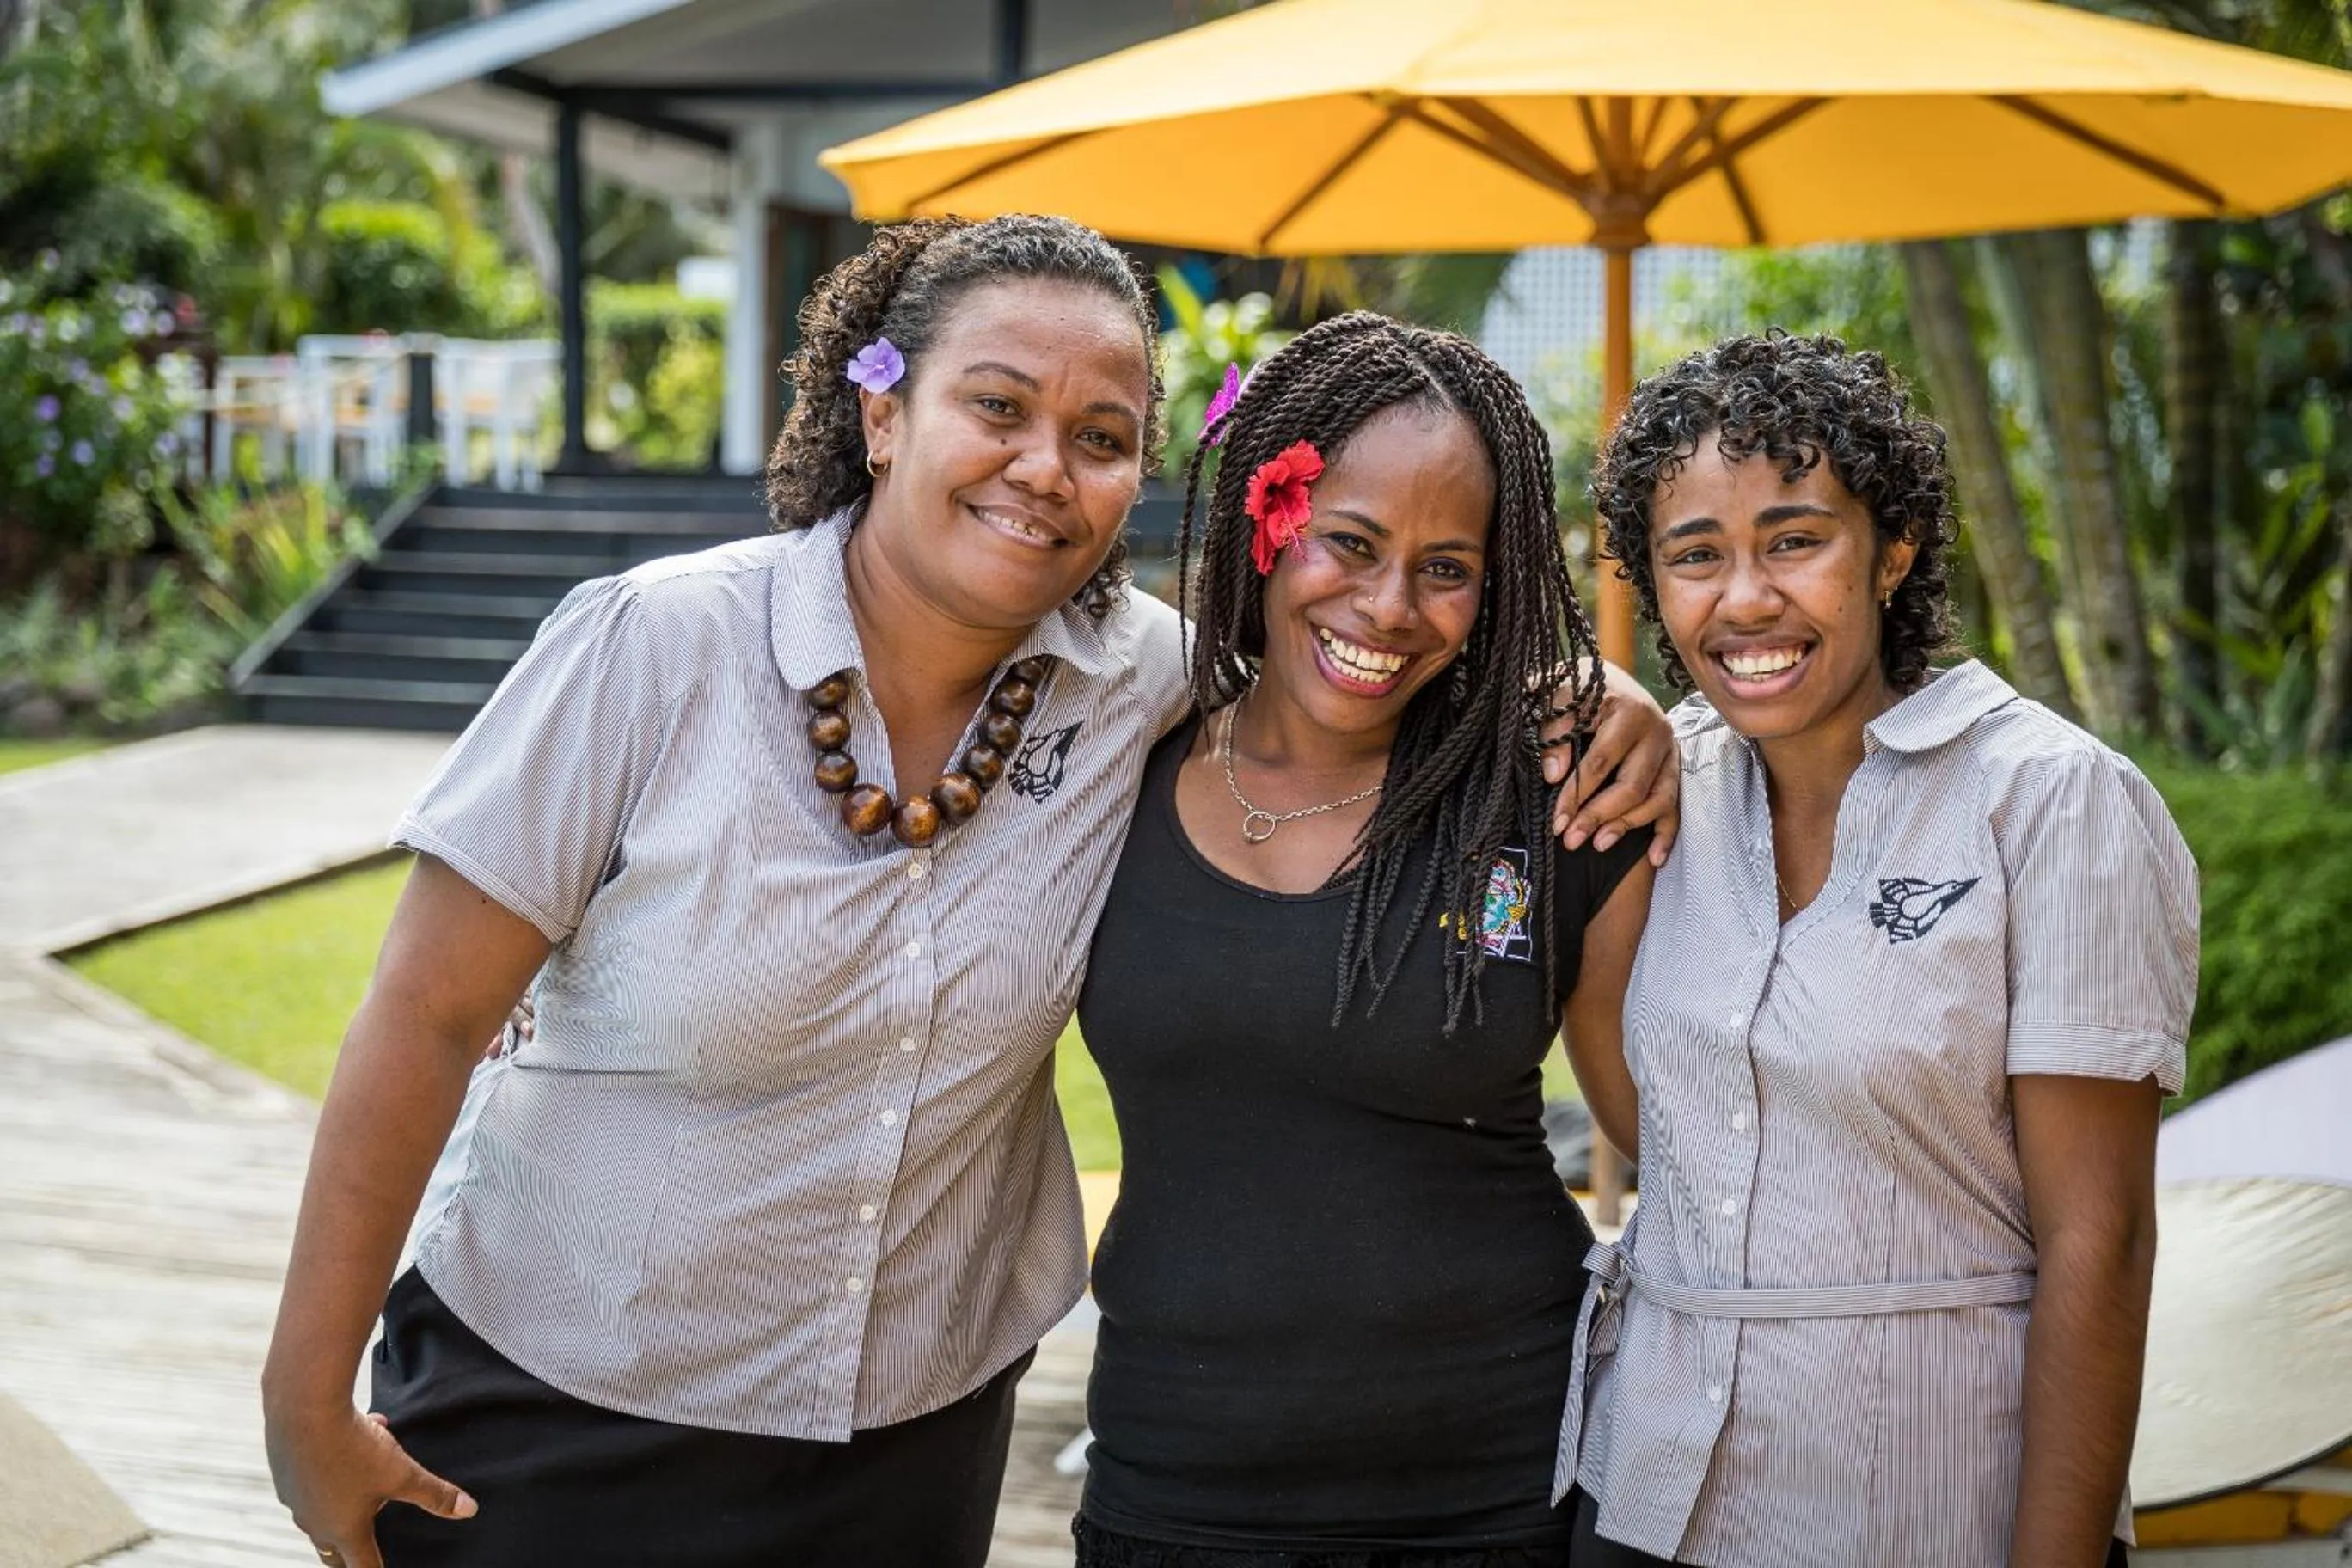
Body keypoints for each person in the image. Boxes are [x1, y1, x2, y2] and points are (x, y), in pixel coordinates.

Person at [259, 215, 1681, 1568]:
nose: (1045, 469)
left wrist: (1607, 695)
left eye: (1104, 439)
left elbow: (1381, 655)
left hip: (909, 1448)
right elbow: (424, 1016)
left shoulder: (1149, 688)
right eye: (998, 408)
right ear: (885, 414)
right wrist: (306, 1399)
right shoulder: (657, 650)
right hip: (556, 1409)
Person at [1557, 333, 2198, 1568]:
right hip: (1650, 1496)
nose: (1745, 599)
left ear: (1892, 551)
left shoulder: (2048, 802)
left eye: (1796, 541)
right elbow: (1663, 1135)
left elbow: (2100, 1239)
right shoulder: (1660, 787)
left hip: (1926, 1502)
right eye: (1696, 557)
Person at [1070, 312, 1657, 1568]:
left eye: (1447, 567)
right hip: (1175, 1488)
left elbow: (1670, 1133)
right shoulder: (1110, 771)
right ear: (1267, 525)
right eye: (1351, 541)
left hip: (1497, 1495)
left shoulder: (1563, 800)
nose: (1389, 607)